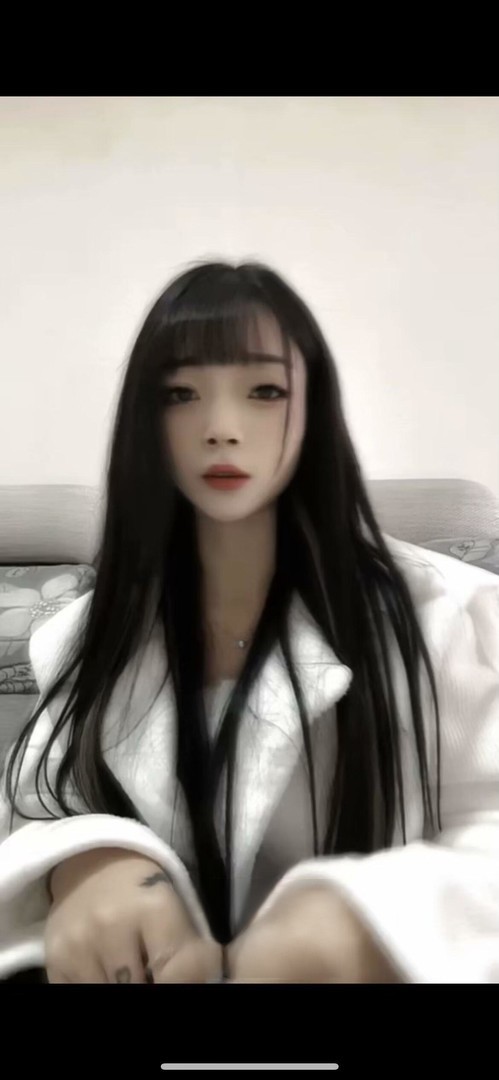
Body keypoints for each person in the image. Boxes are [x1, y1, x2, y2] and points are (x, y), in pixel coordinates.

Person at [1, 260, 498, 984]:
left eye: (264, 392)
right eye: (181, 395)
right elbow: (40, 801)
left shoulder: (453, 618)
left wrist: (370, 919)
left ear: (314, 409)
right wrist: (88, 864)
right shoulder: (82, 638)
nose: (222, 430)